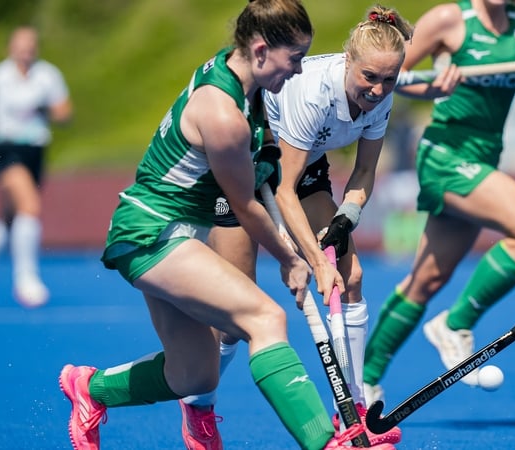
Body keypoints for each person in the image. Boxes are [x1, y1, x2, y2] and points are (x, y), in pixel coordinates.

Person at [57, 1, 394, 449]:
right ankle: (327, 442)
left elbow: (260, 172)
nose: (297, 71)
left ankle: (90, 389)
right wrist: (294, 260)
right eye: (293, 59)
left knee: (193, 373)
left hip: (177, 229)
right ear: (259, 51)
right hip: (153, 233)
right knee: (265, 316)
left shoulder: (240, 81)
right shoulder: (223, 115)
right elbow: (244, 204)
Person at [177, 5, 413, 448]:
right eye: (369, 78)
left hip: (298, 163)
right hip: (244, 161)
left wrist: (347, 218)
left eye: (389, 80)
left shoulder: (381, 97)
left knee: (353, 276)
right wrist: (312, 263)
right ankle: (198, 404)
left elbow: (363, 174)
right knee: (233, 316)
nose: (379, 90)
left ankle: (355, 410)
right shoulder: (313, 94)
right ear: (348, 61)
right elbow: (283, 194)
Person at [361, 0, 515, 400]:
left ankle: (364, 382)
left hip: (484, 157)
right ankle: (457, 323)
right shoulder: (450, 19)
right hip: (445, 155)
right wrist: (433, 87)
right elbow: (391, 76)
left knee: (425, 281)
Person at [0, 25, 72, 308]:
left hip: (35, 149)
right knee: (29, 205)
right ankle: (26, 278)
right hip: (6, 149)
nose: (26, 50)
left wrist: (47, 108)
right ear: (11, 46)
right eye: (21, 44)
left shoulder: (47, 75)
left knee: (11, 214)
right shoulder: (1, 77)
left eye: (31, 44)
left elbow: (64, 112)